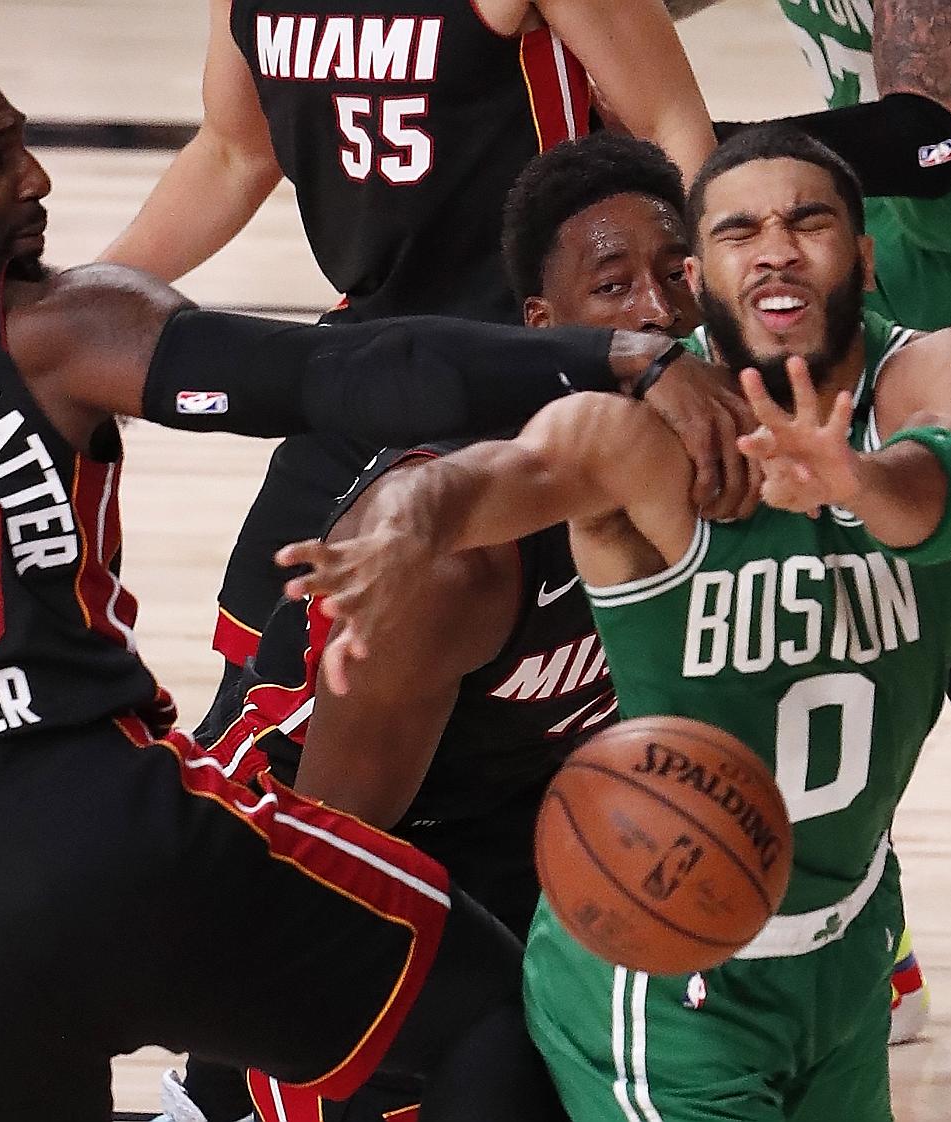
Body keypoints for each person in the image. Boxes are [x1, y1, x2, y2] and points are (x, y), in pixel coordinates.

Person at [0, 31, 755, 1122]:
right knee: (501, 1019)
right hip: (128, 850)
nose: (36, 181)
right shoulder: (56, 328)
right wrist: (612, 356)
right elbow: (353, 371)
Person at [280, 127, 951, 1122]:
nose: (775, 249)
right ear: (711, 279)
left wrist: (852, 480)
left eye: (809, 222)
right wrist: (405, 525)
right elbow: (495, 476)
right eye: (739, 231)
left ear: (868, 253)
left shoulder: (944, 372)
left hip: (843, 953)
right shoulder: (631, 434)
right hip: (666, 978)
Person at [165, 132, 717, 1122]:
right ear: (548, 329)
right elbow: (331, 854)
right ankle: (216, 1095)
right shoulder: (468, 570)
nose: (657, 311)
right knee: (493, 1062)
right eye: (615, 285)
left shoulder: (719, 459)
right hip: (305, 833)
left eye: (677, 274)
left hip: (509, 806)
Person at [99, 0, 738, 742]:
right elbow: (234, 153)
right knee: (257, 693)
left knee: (523, 717)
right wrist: (68, 301)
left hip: (544, 367)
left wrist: (716, 339)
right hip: (372, 356)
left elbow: (672, 123)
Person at [669, 0, 951, 1040]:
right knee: (818, 600)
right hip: (882, 254)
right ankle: (870, 933)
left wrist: (697, 163)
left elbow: (925, 135)